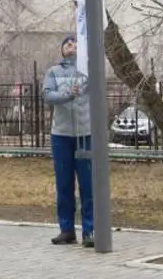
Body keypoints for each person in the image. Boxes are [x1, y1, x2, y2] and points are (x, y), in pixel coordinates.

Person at [43, 34, 94, 248]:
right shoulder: (53, 72)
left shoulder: (88, 71)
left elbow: (96, 91)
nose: (71, 46)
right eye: (67, 44)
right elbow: (48, 95)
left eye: (75, 43)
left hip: (85, 134)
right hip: (61, 135)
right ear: (62, 49)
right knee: (64, 184)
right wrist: (67, 93)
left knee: (88, 184)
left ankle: (90, 230)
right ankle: (66, 230)